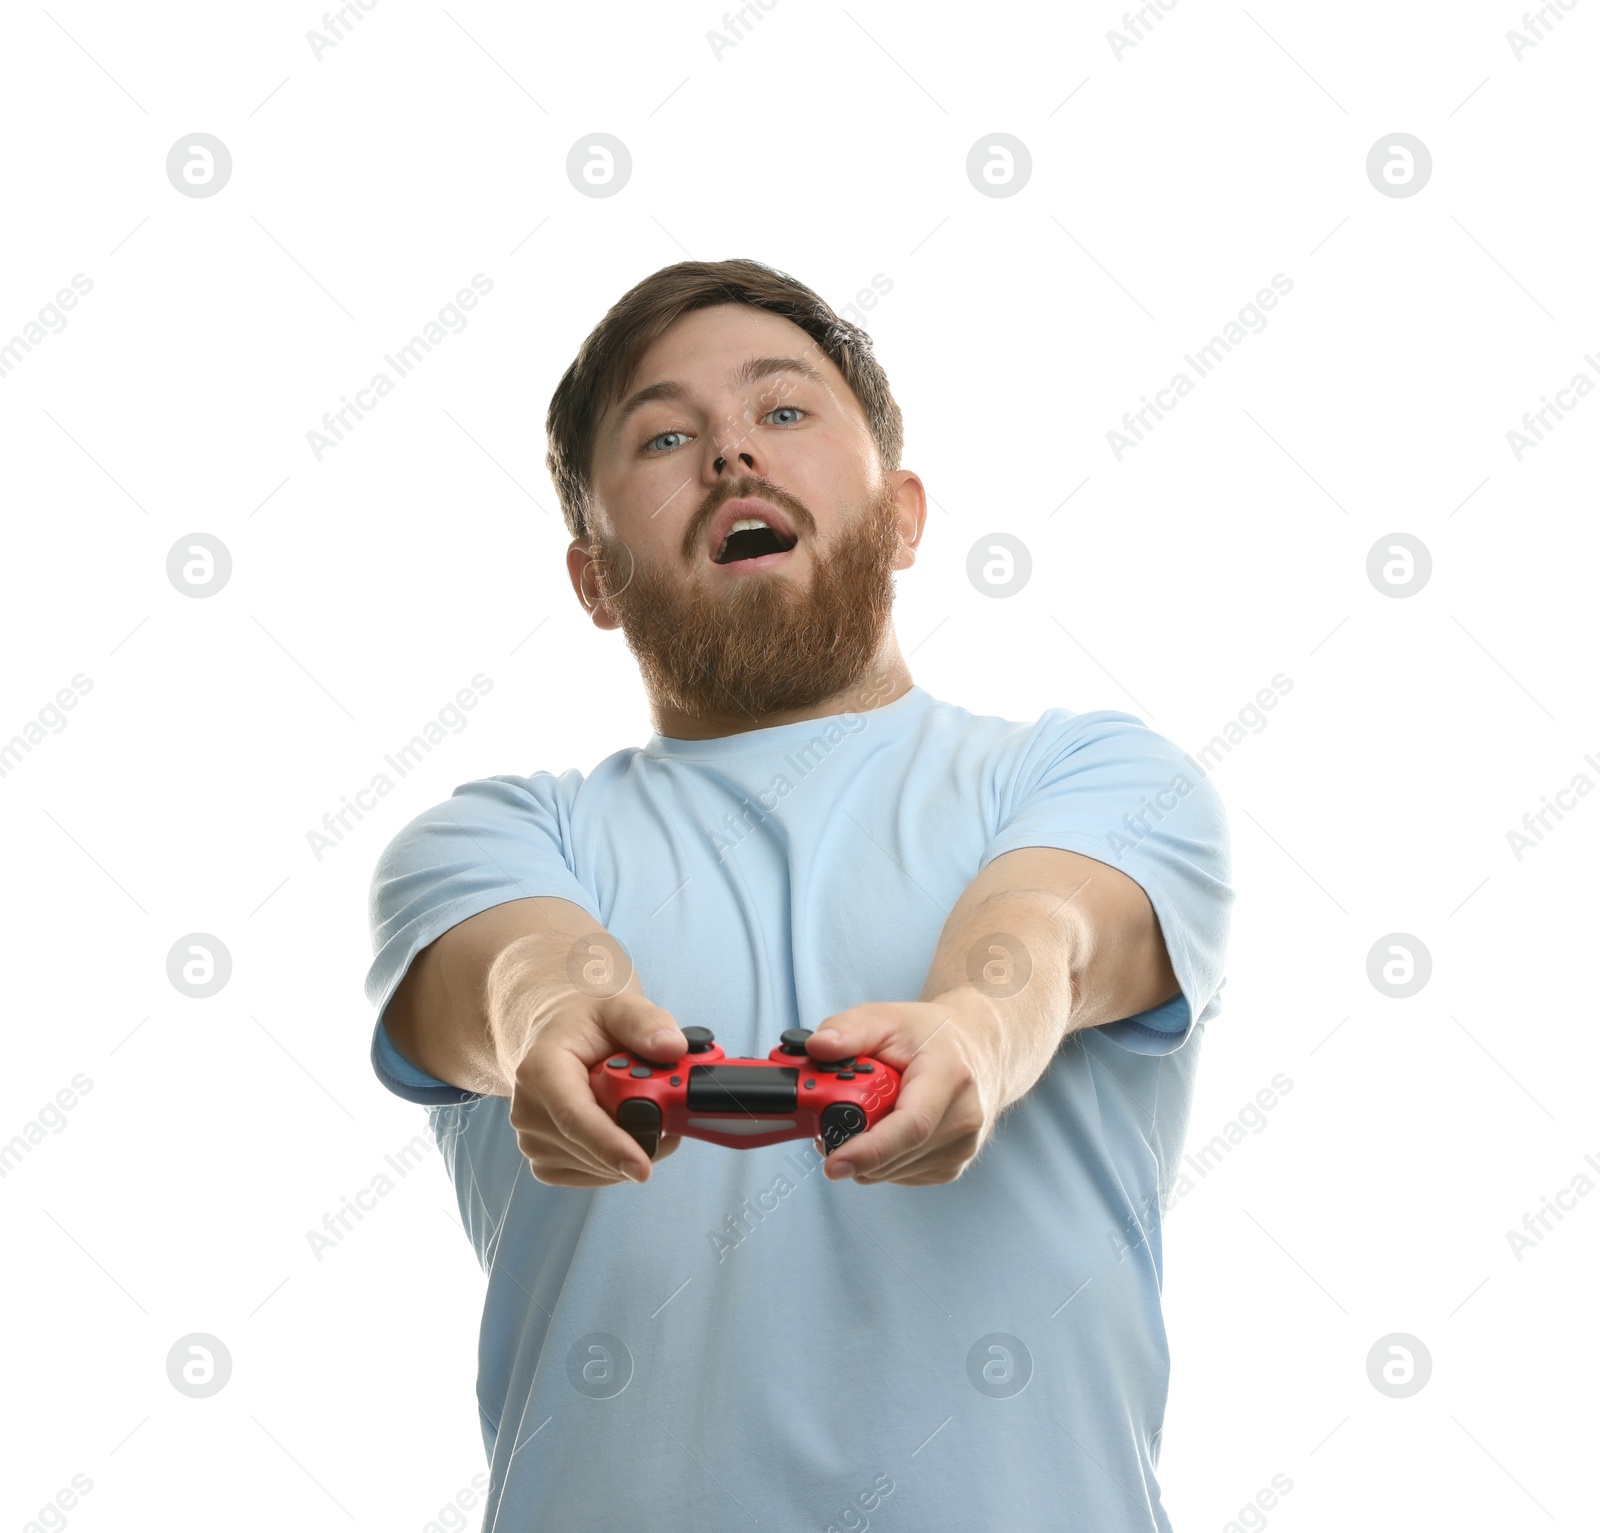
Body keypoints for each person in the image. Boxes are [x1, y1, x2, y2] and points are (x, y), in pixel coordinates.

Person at [365, 257, 1234, 1531]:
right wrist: (553, 1022)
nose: (730, 457)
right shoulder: (492, 834)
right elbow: (513, 968)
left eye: (783, 413)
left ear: (901, 514)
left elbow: (1045, 936)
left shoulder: (1094, 776)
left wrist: (975, 1037)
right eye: (665, 436)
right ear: (594, 579)